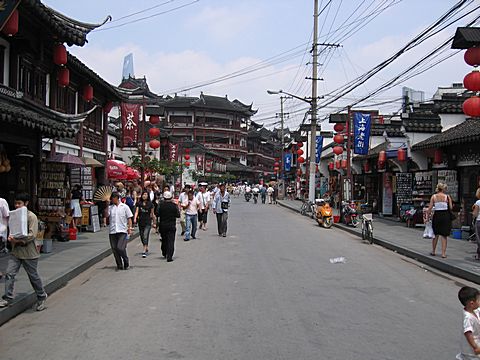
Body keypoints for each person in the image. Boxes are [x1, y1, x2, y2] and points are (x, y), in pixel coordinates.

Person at [0, 193, 47, 311]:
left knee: (33, 276)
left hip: (29, 253)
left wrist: (18, 240)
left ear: (26, 203)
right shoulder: (14, 215)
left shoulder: (32, 217)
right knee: (10, 274)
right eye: (16, 203)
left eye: (19, 203)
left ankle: (41, 296)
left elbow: (32, 235)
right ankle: (7, 297)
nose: (17, 206)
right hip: (16, 252)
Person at [108, 192, 133, 270]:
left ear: (117, 198)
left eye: (113, 199)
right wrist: (106, 205)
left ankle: (126, 261)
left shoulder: (124, 207)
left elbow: (129, 218)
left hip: (122, 230)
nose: (112, 200)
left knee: (120, 248)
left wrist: (130, 228)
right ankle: (119, 264)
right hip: (112, 231)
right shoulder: (110, 208)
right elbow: (106, 215)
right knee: (114, 249)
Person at [427, 182, 453, 258]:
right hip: (445, 216)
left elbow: (430, 208)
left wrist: (427, 217)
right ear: (443, 189)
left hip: (437, 215)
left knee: (435, 234)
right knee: (444, 235)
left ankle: (433, 251)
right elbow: (451, 207)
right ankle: (443, 253)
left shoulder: (434, 197)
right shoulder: (447, 197)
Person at [156, 191, 180, 262]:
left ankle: (164, 252)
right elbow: (178, 215)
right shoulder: (174, 205)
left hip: (163, 225)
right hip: (171, 225)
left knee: (164, 239)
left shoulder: (161, 205)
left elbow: (157, 213)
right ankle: (169, 256)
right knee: (171, 241)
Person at [457, 286, 480, 359]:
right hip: (471, 349)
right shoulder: (468, 318)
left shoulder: (474, 310)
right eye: (479, 300)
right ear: (472, 303)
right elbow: (468, 333)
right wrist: (475, 347)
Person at [134, 190, 155, 258]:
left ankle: (144, 249)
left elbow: (152, 214)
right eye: (143, 194)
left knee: (145, 235)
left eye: (145, 194)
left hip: (148, 222)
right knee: (142, 236)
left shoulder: (150, 204)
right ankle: (146, 245)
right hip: (141, 222)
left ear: (148, 196)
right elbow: (137, 211)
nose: (144, 196)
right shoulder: (139, 203)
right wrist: (135, 218)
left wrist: (154, 223)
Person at [473, 188, 480, 260]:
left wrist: (473, 215)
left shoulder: (478, 202)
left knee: (478, 238)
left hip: (479, 221)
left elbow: (475, 214)